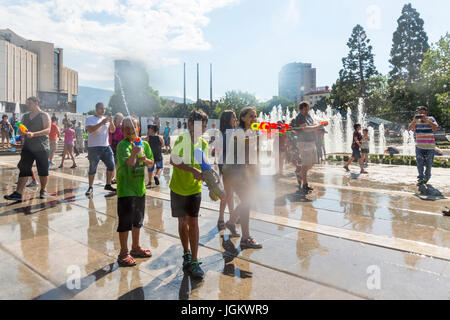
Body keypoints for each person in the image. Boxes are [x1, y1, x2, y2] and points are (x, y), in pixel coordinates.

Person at [169, 110, 209, 279]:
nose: (203, 129)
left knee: (193, 222)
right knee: (182, 221)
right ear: (191, 124)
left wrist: (213, 188)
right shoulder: (182, 139)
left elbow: (205, 169)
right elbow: (173, 159)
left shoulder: (204, 144)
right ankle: (186, 252)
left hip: (194, 189)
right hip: (178, 188)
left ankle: (194, 260)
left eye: (205, 127)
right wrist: (192, 169)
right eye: (200, 126)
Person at [116, 116, 154, 266]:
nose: (130, 130)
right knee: (125, 222)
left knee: (138, 220)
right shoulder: (122, 146)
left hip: (140, 189)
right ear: (122, 130)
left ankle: (136, 247)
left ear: (138, 128)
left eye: (133, 127)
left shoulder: (144, 144)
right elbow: (130, 163)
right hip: (126, 190)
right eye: (126, 128)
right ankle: (123, 252)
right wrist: (134, 153)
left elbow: (151, 163)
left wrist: (144, 158)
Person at [223, 106, 263, 249]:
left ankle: (233, 223)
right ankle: (244, 236)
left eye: (255, 116)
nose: (254, 118)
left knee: (247, 201)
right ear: (243, 118)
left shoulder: (250, 131)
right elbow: (245, 143)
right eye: (251, 116)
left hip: (241, 171)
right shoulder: (239, 132)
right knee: (247, 201)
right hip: (234, 171)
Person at [4, 97, 51, 201]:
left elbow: (48, 130)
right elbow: (21, 130)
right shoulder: (25, 116)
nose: (27, 105)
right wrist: (21, 132)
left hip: (42, 147)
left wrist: (34, 134)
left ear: (36, 103)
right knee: (24, 169)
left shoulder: (44, 115)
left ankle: (43, 190)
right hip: (28, 147)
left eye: (29, 103)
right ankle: (18, 193)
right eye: (27, 103)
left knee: (43, 170)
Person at [85, 103, 116, 196]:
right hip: (94, 147)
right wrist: (102, 123)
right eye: (101, 109)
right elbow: (90, 130)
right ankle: (90, 187)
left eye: (104, 109)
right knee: (93, 167)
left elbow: (112, 130)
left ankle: (108, 184)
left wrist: (111, 122)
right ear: (96, 109)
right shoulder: (90, 118)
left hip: (106, 146)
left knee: (111, 165)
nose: (103, 110)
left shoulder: (106, 119)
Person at [293, 101, 325, 193]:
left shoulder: (308, 116)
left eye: (308, 108)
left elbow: (311, 125)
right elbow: (305, 129)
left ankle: (300, 174)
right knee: (306, 163)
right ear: (302, 109)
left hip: (311, 141)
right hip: (304, 142)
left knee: (313, 161)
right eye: (306, 108)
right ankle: (305, 184)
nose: (308, 110)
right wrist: (316, 127)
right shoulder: (300, 117)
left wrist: (319, 125)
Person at [408, 106, 439, 186]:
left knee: (429, 163)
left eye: (423, 112)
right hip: (419, 146)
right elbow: (410, 128)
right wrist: (414, 121)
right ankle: (420, 178)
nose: (421, 114)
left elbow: (435, 128)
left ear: (426, 113)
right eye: (419, 112)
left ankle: (427, 176)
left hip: (430, 147)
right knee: (419, 163)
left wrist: (427, 121)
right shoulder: (416, 121)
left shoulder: (431, 118)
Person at [217, 110, 237, 231]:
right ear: (227, 120)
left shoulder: (227, 132)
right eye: (233, 117)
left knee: (229, 193)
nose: (235, 119)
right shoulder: (229, 132)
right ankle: (229, 220)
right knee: (229, 194)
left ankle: (224, 218)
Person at [109, 113, 124, 184]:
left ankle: (116, 178)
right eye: (120, 118)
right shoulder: (112, 125)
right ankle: (112, 177)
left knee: (117, 163)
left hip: (120, 147)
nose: (121, 120)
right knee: (112, 163)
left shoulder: (122, 127)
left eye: (122, 118)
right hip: (111, 146)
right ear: (116, 118)